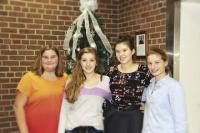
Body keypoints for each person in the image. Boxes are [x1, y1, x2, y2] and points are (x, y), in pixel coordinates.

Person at [104, 35, 152, 133]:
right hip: (113, 117)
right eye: (118, 51)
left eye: (124, 50)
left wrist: (148, 106)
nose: (121, 54)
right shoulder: (111, 71)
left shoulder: (144, 71)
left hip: (134, 119)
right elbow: (104, 92)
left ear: (133, 51)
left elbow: (156, 91)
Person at [14, 46, 67, 133]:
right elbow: (18, 106)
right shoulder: (29, 78)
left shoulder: (65, 78)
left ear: (58, 59)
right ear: (40, 59)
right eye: (45, 57)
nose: (49, 60)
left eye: (53, 57)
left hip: (60, 130)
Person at [58, 47, 111, 133]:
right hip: (72, 129)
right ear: (79, 62)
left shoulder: (105, 81)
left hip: (96, 130)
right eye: (84, 60)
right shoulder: (70, 81)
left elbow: (116, 104)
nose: (88, 64)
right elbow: (63, 110)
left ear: (96, 62)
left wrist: (137, 105)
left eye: (91, 60)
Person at [142, 48, 187, 133]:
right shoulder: (150, 85)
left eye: (157, 62)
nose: (153, 67)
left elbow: (181, 121)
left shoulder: (174, 87)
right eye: (150, 63)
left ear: (165, 62)